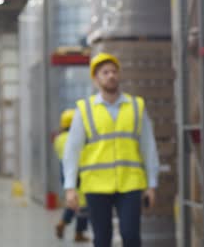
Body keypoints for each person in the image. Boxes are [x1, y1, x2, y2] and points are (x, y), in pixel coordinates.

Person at [63, 53, 160, 247]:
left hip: (130, 183)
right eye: (105, 72)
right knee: (102, 239)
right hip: (96, 184)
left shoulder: (136, 106)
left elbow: (148, 147)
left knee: (131, 236)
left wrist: (151, 184)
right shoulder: (85, 110)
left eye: (114, 71)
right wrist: (70, 187)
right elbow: (72, 150)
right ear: (95, 79)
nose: (111, 76)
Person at [53, 109, 89, 242]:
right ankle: (77, 232)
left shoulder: (58, 139)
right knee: (83, 205)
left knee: (73, 201)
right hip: (78, 172)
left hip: (65, 172)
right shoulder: (76, 137)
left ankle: (64, 224)